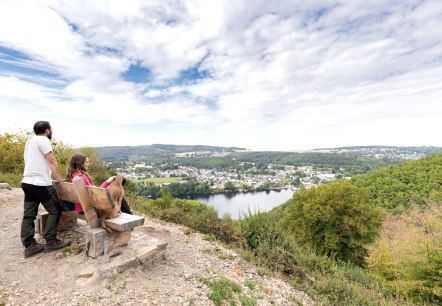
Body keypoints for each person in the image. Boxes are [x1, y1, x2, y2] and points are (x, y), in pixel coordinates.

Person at [21, 121, 71, 258]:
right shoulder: (43, 139)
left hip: (27, 182)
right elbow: (51, 160)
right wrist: (58, 178)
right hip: (40, 184)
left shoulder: (29, 140)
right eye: (51, 129)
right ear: (47, 130)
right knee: (55, 209)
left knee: (28, 215)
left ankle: (30, 246)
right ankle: (50, 242)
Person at [65, 153, 132, 214]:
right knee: (118, 195)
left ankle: (127, 214)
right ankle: (129, 215)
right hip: (88, 207)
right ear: (80, 163)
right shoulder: (81, 177)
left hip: (80, 207)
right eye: (87, 162)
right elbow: (96, 193)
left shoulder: (71, 175)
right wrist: (107, 181)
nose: (89, 164)